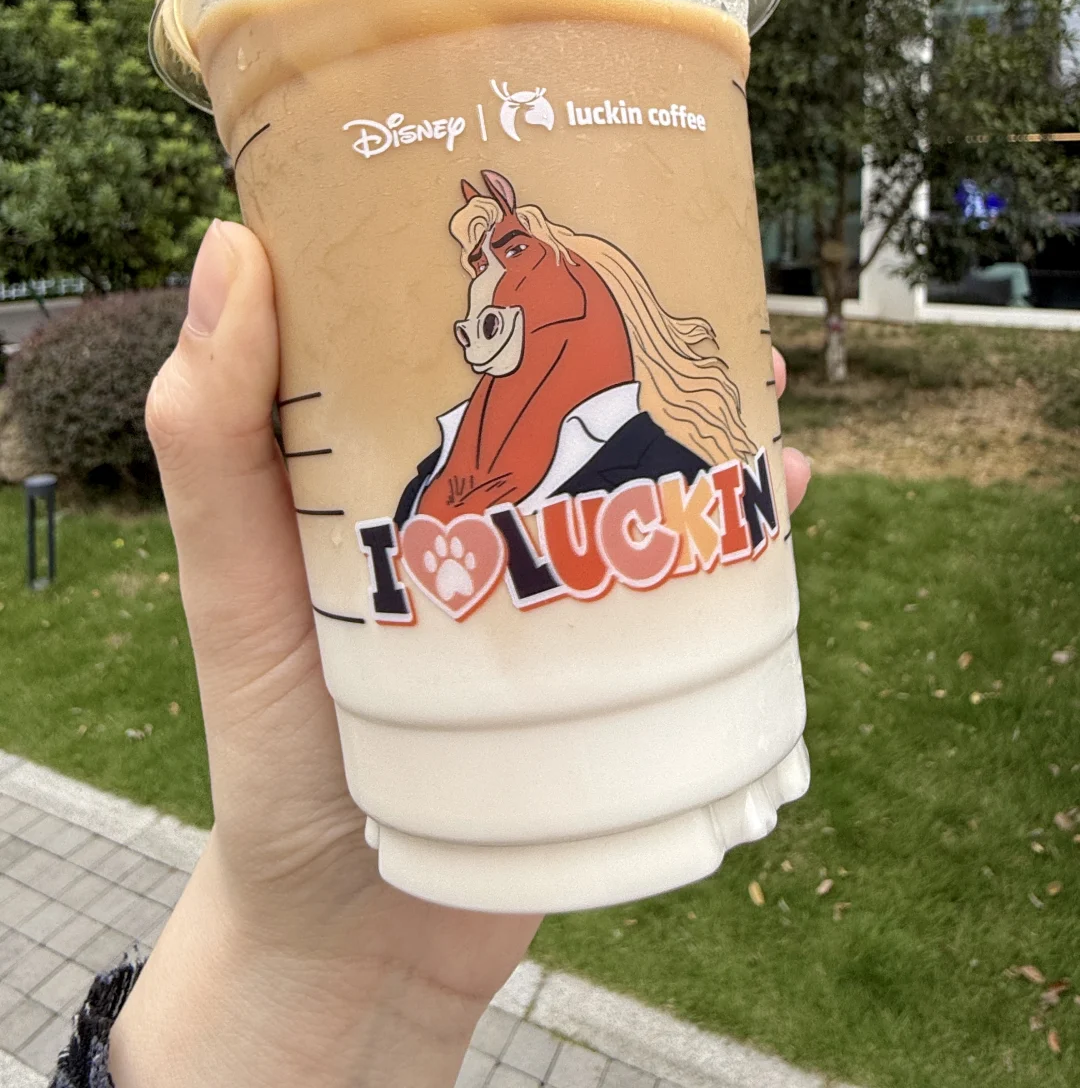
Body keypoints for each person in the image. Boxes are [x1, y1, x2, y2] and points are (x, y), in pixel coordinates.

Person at [50, 220, 812, 1088]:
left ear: (557, 307)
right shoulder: (444, 469)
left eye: (489, 317)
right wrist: (303, 953)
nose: (469, 335)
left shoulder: (658, 464)